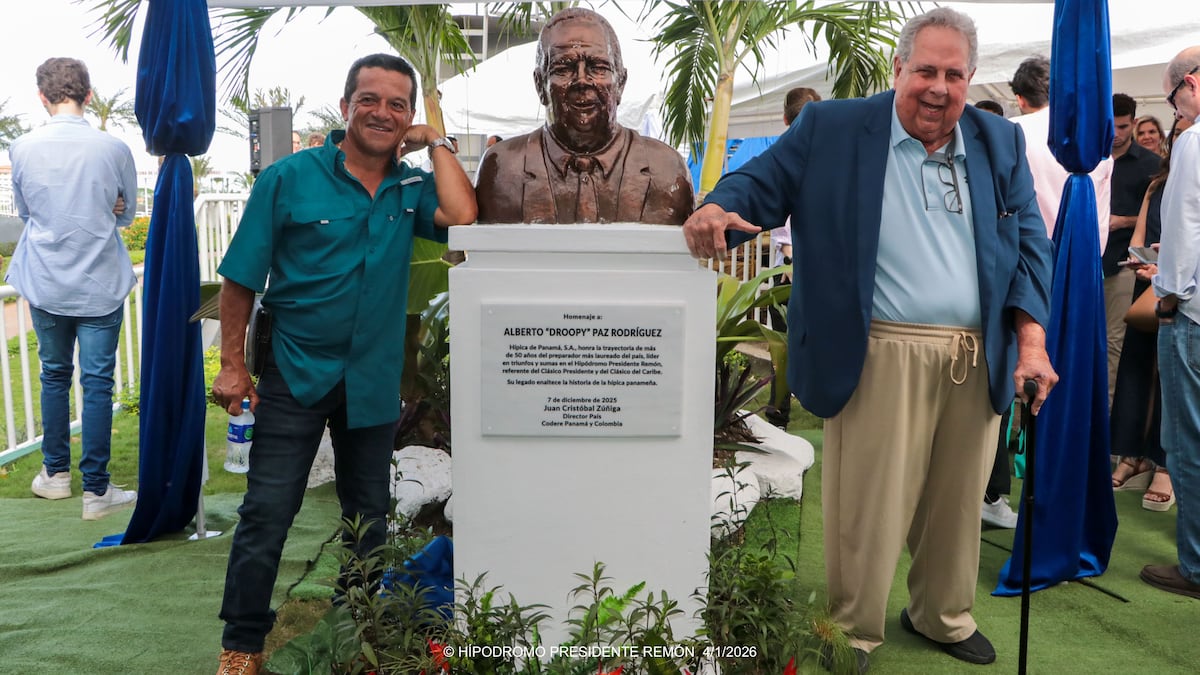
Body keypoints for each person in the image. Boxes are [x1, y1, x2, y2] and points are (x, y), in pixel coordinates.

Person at [682, 8, 1057, 671]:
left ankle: (942, 614)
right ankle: (851, 626)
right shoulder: (831, 128)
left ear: (970, 78)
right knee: (869, 503)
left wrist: (1031, 341)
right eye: (925, 71)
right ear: (898, 69)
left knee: (957, 500)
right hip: (877, 346)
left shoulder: (998, 141)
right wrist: (716, 205)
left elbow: (1029, 242)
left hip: (976, 353)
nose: (938, 88)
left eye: (953, 74)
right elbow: (757, 184)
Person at [209, 53, 476, 675]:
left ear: (409, 115)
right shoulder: (289, 178)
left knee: (370, 515)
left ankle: (356, 623)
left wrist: (436, 140)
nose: (382, 113)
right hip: (297, 374)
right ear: (345, 105)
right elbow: (240, 279)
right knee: (268, 512)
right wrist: (231, 366)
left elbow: (464, 215)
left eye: (397, 104)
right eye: (370, 99)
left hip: (372, 379)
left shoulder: (412, 189)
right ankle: (241, 644)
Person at [6, 57, 138, 521]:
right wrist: (109, 207)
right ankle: (97, 492)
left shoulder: (21, 148)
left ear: (42, 97)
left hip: (45, 280)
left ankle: (56, 476)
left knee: (53, 375)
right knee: (98, 383)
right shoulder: (115, 148)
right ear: (90, 94)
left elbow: (25, 212)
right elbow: (125, 216)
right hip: (100, 280)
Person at [475, 7, 693, 225]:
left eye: (598, 67)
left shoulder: (666, 169)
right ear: (540, 85)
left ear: (621, 84)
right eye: (563, 69)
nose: (582, 81)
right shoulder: (502, 170)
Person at [1141, 47, 1200, 600]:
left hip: (1193, 315)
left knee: (1186, 441)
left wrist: (1167, 295)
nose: (1175, 111)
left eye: (1173, 98)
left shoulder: (1194, 140)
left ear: (1188, 85)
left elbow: (1185, 225)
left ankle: (1198, 565)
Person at [1111, 114, 1192, 511]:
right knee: (1137, 368)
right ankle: (1132, 453)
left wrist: (1168, 271)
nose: (1180, 141)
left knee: (1170, 381)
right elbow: (1140, 236)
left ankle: (1164, 464)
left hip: (1182, 291)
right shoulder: (1158, 183)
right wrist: (1143, 263)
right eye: (1176, 137)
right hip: (1148, 283)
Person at [765, 86, 820, 429]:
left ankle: (780, 410)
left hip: (792, 265)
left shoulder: (780, 155)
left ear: (785, 118)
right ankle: (782, 407)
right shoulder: (828, 156)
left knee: (784, 341)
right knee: (791, 338)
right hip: (801, 264)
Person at [1102, 93, 1161, 406]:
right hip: (1085, 261)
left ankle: (1108, 410)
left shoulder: (1150, 165)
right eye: (1111, 125)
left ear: (1134, 123)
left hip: (1122, 262)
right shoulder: (1089, 157)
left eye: (1123, 127)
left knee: (1114, 340)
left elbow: (1156, 213)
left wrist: (1121, 221)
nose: (1116, 133)